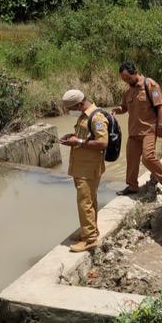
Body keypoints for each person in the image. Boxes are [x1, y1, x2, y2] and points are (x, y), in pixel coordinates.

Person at [59, 90, 109, 252]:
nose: (69, 112)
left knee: (85, 203)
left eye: (70, 108)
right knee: (89, 201)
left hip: (89, 168)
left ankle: (90, 239)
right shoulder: (83, 116)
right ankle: (90, 230)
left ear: (79, 104)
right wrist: (73, 137)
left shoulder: (96, 117)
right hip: (81, 166)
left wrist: (78, 141)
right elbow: (86, 136)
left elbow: (102, 143)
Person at [112, 62, 162, 196]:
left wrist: (160, 125)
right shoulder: (128, 89)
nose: (127, 81)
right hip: (133, 131)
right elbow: (124, 107)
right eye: (124, 79)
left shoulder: (150, 85)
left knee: (148, 157)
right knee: (131, 159)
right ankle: (132, 186)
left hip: (149, 129)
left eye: (128, 78)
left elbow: (160, 106)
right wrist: (116, 111)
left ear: (135, 72)